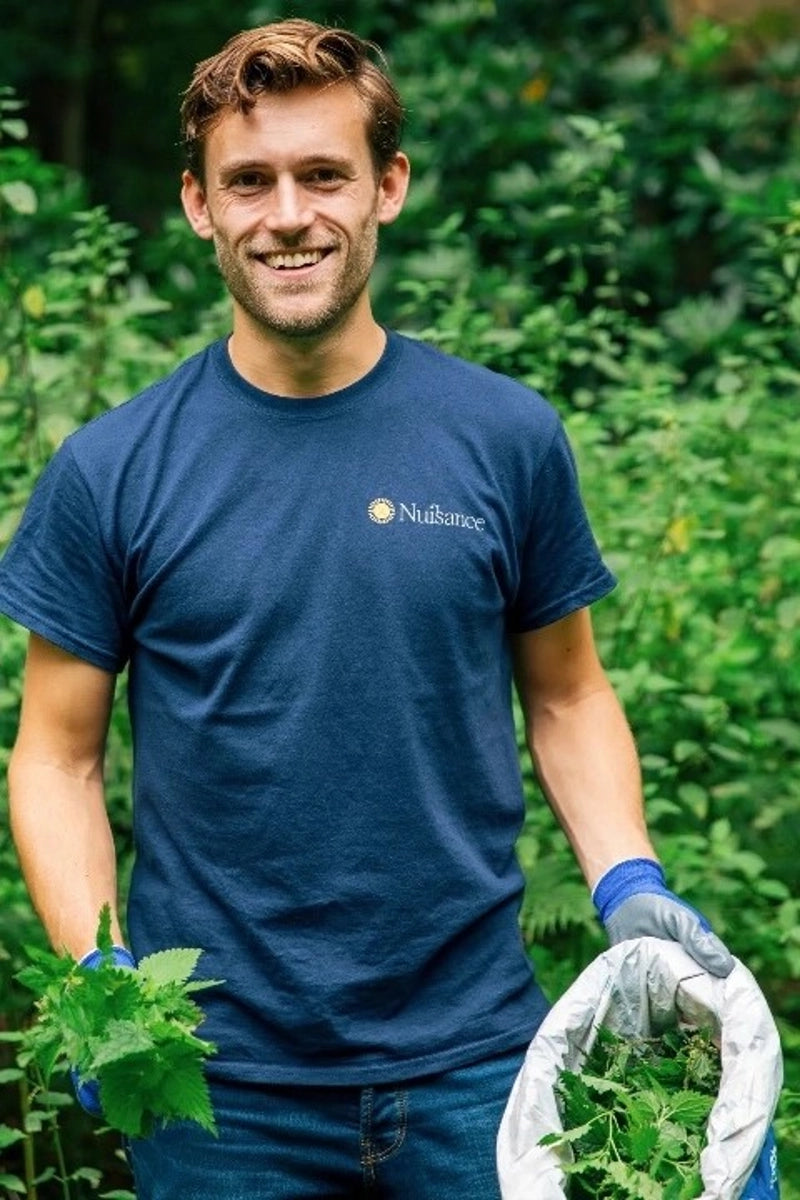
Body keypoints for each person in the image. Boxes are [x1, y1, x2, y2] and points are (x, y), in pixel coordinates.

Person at [0, 18, 769, 1200]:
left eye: (324, 175)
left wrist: (626, 882)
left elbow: (565, 689)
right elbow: (55, 759)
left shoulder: (503, 438)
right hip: (217, 1085)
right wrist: (101, 979)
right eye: (248, 181)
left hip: (481, 1066)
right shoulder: (113, 471)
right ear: (200, 206)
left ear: (387, 187)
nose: (289, 214)